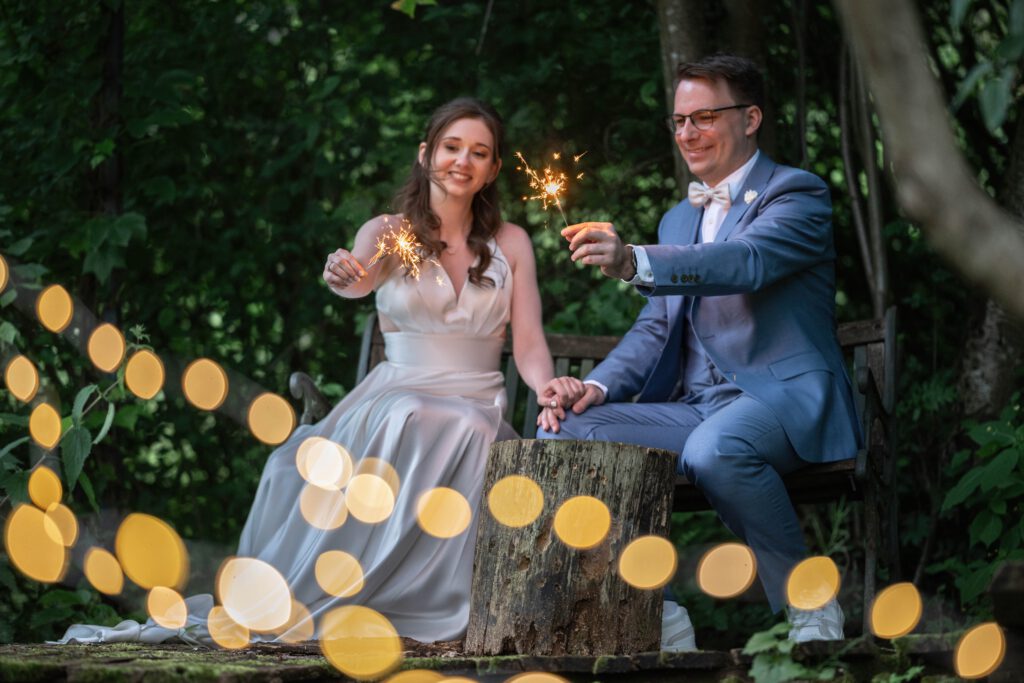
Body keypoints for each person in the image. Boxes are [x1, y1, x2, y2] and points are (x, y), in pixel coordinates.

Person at [58, 97, 582, 645]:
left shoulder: (512, 243)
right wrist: (344, 274)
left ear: (494, 169)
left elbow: (527, 342)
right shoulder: (388, 230)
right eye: (452, 147)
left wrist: (546, 386)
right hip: (399, 391)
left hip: (478, 399)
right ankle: (359, 593)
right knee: (409, 413)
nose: (462, 162)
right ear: (426, 153)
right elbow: (358, 277)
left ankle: (437, 599)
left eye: (479, 153)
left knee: (468, 426)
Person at [536, 54, 862, 649]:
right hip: (697, 408)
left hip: (780, 399)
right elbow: (657, 328)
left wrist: (636, 260)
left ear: (752, 118)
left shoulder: (796, 193)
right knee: (564, 436)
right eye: (679, 120)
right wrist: (597, 387)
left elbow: (747, 262)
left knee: (716, 450)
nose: (687, 132)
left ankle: (809, 603)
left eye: (704, 116)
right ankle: (657, 609)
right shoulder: (677, 218)